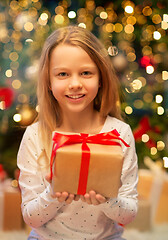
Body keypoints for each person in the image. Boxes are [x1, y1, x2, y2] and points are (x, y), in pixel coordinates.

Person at [17, 25, 138, 240]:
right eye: (63, 74)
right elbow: (31, 218)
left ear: (100, 79)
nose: (75, 84)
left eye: (86, 73)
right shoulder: (35, 136)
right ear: (48, 82)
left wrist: (108, 200)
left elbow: (129, 214)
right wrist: (53, 193)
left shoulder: (120, 133)